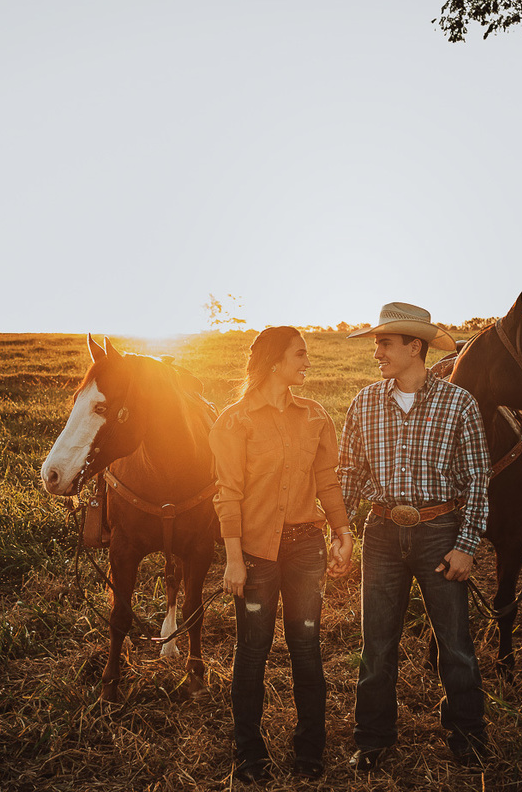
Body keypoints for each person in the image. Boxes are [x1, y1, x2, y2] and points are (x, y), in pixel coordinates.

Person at [337, 302, 493, 772]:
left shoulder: (458, 403)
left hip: (439, 532)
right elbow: (348, 472)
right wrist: (343, 531)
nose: (377, 352)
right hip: (382, 533)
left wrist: (466, 546)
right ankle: (373, 740)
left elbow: (478, 480)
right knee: (377, 644)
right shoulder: (364, 402)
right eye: (378, 343)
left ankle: (467, 735)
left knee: (455, 644)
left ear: (414, 347)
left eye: (385, 343)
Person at [209, 326, 355, 783]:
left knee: (306, 647)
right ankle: (249, 751)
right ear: (275, 361)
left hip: (305, 550)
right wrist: (234, 557)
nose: (308, 362)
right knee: (252, 650)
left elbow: (327, 481)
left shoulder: (315, 417)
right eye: (300, 354)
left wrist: (342, 530)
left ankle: (310, 748)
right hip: (254, 556)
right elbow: (227, 494)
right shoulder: (234, 422)